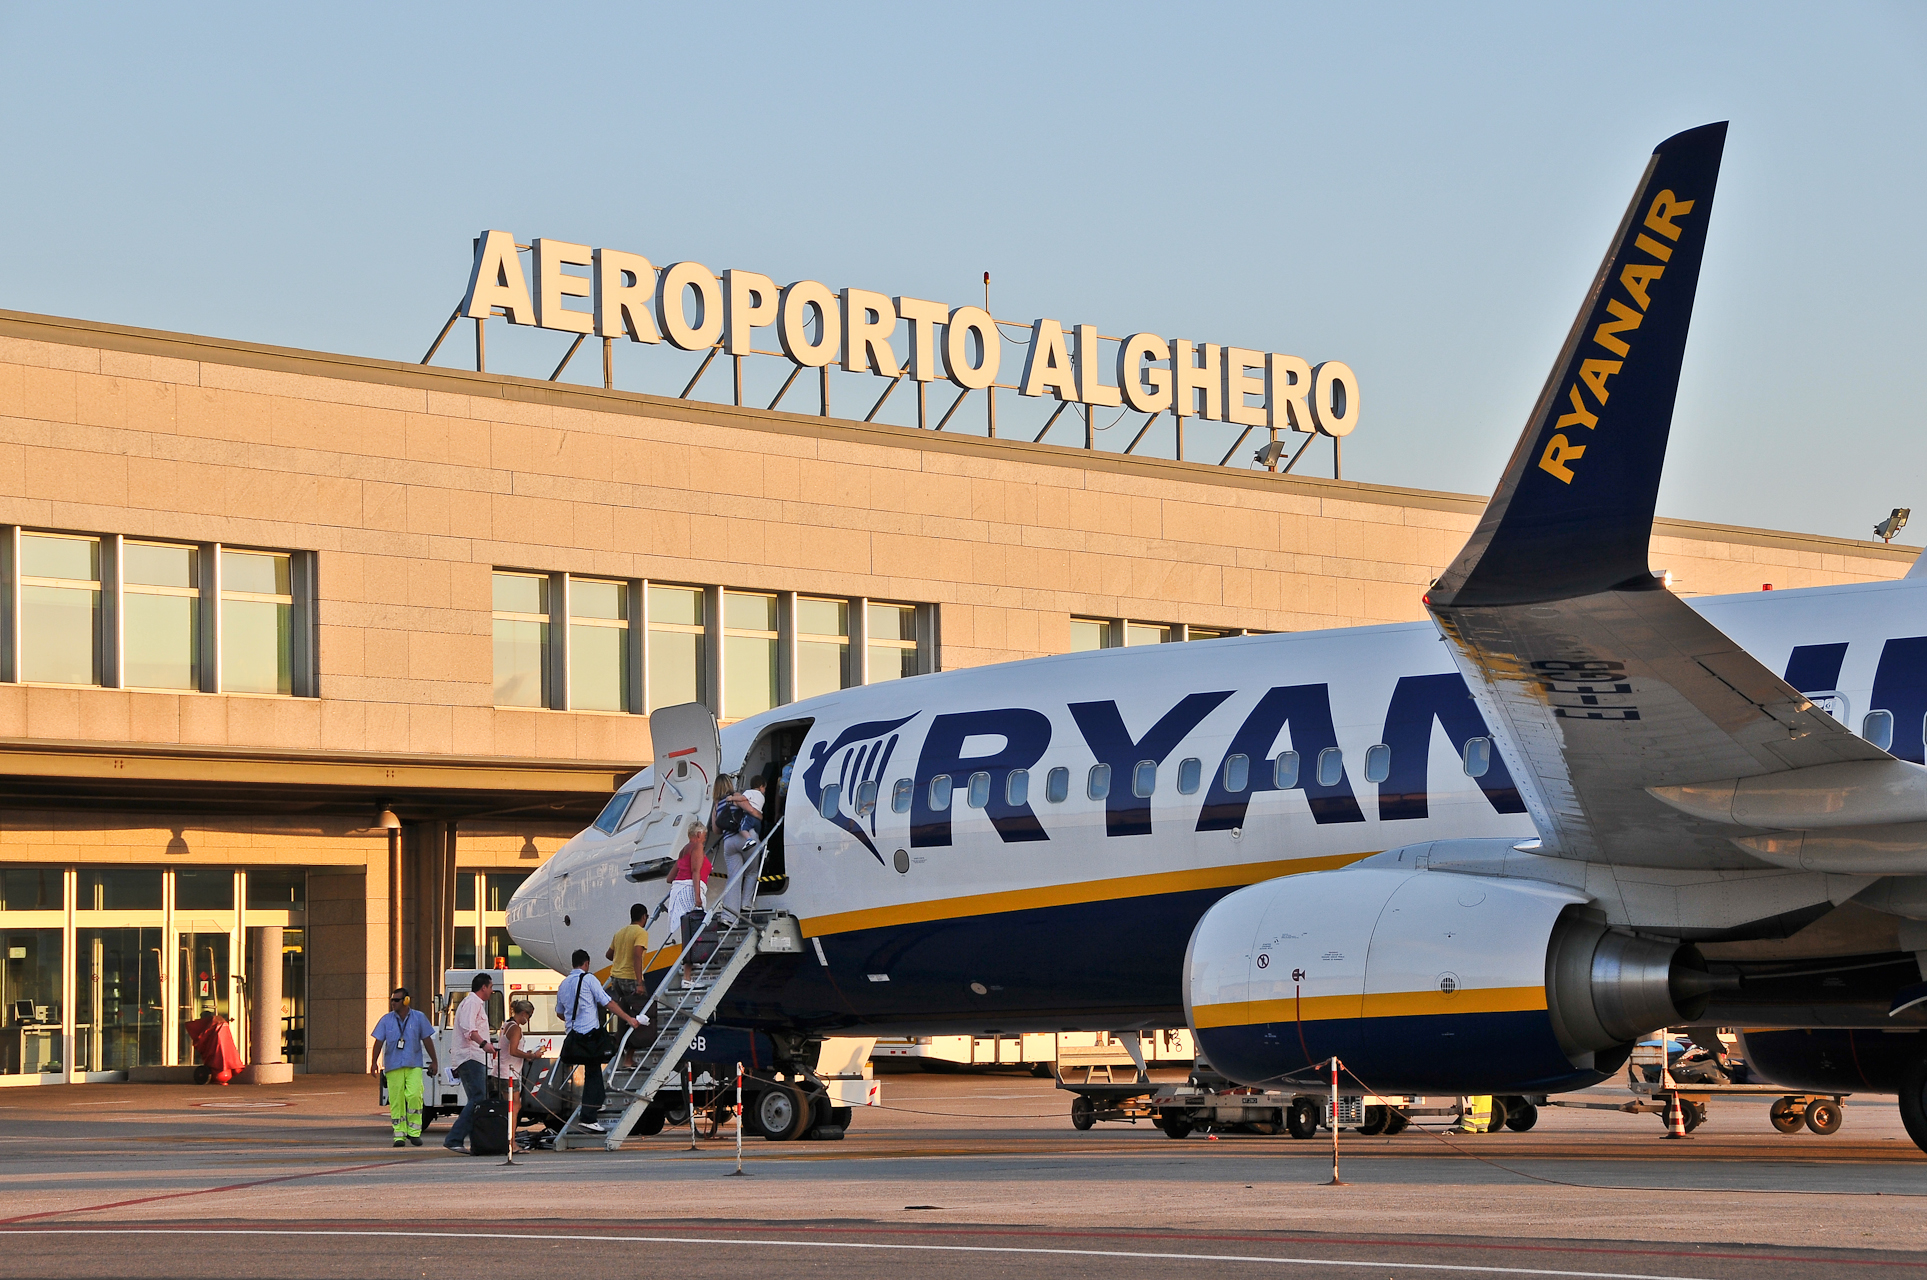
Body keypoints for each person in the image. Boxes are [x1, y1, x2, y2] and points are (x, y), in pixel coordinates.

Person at [555, 948, 641, 1134]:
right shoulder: (589, 979)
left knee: (593, 1071)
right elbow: (607, 1002)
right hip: (589, 1036)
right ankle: (589, 1116)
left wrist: (574, 1018)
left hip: (573, 1037)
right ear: (586, 964)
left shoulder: (563, 984)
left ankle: (596, 1103)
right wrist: (628, 1018)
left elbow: (560, 1013)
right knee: (595, 1071)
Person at [369, 987, 438, 1147]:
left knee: (414, 1095)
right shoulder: (386, 1020)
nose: (393, 1003)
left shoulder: (419, 1018)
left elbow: (427, 1039)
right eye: (392, 1000)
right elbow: (378, 1041)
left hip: (413, 1064)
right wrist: (373, 1062)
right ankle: (399, 1135)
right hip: (393, 1067)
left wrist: (434, 1061)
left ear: (406, 1001)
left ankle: (414, 1132)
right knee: (396, 1101)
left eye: (396, 1000)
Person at [441, 972, 494, 1153]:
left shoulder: (474, 1003)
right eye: (491, 987)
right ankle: (454, 1138)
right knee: (478, 1098)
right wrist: (484, 1044)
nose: (492, 991)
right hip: (471, 1056)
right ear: (483, 987)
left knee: (478, 1099)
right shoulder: (472, 1003)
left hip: (475, 1057)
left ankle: (475, 1140)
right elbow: (469, 1030)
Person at [665, 822, 711, 982]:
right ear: (698, 834)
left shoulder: (683, 850)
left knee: (689, 932)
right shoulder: (697, 847)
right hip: (690, 890)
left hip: (679, 890)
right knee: (694, 932)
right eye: (704, 835)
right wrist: (697, 896)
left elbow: (670, 878)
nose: (705, 839)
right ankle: (687, 977)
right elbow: (695, 871)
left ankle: (688, 973)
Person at [496, 997, 542, 1148]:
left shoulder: (507, 1025)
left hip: (503, 1071)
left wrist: (526, 1053)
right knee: (514, 1107)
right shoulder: (515, 1028)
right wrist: (531, 1056)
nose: (528, 1020)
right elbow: (513, 1050)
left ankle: (507, 1139)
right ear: (523, 1013)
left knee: (511, 1106)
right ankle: (511, 1142)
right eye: (529, 1016)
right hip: (509, 1073)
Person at [717, 775, 764, 921]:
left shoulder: (717, 804)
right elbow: (750, 810)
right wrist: (760, 816)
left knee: (734, 878)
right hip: (743, 838)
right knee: (752, 871)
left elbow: (716, 829)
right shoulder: (735, 796)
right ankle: (746, 903)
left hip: (728, 843)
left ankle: (729, 917)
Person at [605, 903, 650, 1014]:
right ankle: (638, 1030)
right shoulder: (641, 933)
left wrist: (621, 956)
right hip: (630, 978)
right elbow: (637, 955)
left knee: (623, 1011)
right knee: (642, 1011)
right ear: (644, 916)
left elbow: (609, 955)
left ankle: (622, 1031)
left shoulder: (619, 932)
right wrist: (639, 983)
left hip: (616, 979)